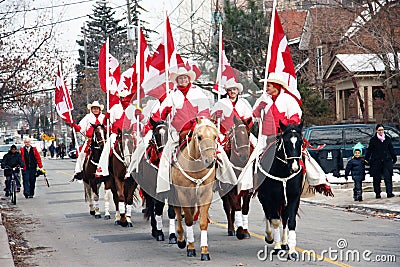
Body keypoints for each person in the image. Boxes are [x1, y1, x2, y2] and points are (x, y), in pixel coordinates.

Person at [152, 67, 237, 193]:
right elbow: (159, 113)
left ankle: (225, 179)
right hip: (179, 132)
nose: (183, 80)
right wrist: (160, 120)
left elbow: (205, 110)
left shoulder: (198, 92)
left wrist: (198, 123)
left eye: (185, 77)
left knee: (218, 150)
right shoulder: (172, 96)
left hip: (198, 128)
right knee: (166, 155)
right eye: (180, 78)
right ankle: (166, 184)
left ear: (189, 79)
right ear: (177, 80)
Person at [238, 72, 302, 190]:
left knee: (302, 155)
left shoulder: (288, 99)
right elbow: (255, 118)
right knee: (254, 158)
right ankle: (251, 185)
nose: (266, 88)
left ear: (276, 86)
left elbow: (296, 116)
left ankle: (316, 181)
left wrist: (288, 127)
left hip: (284, 135)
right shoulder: (263, 99)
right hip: (266, 137)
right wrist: (258, 108)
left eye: (269, 85)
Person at [95, 90, 143, 178]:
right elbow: (105, 121)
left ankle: (140, 168)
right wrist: (108, 118)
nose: (124, 99)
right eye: (122, 97)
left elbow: (139, 119)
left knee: (140, 145)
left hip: (130, 132)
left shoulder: (133, 107)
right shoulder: (115, 108)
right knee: (107, 146)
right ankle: (101, 169)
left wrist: (139, 114)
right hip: (117, 133)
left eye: (126, 97)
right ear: (120, 98)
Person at [211, 79, 256, 145]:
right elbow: (211, 120)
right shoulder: (221, 102)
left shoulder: (244, 103)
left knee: (255, 143)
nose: (232, 92)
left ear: (238, 91)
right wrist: (215, 115)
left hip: (241, 132)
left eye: (234, 89)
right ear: (227, 92)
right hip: (224, 133)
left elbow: (250, 119)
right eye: (230, 90)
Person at [69, 101, 105, 180]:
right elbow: (81, 128)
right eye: (94, 108)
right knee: (82, 154)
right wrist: (75, 126)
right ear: (91, 109)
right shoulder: (87, 117)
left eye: (97, 108)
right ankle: (79, 171)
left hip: (102, 140)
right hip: (90, 140)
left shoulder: (103, 117)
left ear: (99, 109)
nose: (95, 110)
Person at [364, 124, 397, 199]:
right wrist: (366, 159)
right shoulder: (373, 140)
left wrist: (394, 158)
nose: (381, 131)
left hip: (386, 161)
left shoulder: (387, 139)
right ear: (376, 131)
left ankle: (389, 192)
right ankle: (378, 193)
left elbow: (391, 149)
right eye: (379, 130)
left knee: (388, 177)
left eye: (382, 130)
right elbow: (369, 150)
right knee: (376, 178)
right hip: (376, 162)